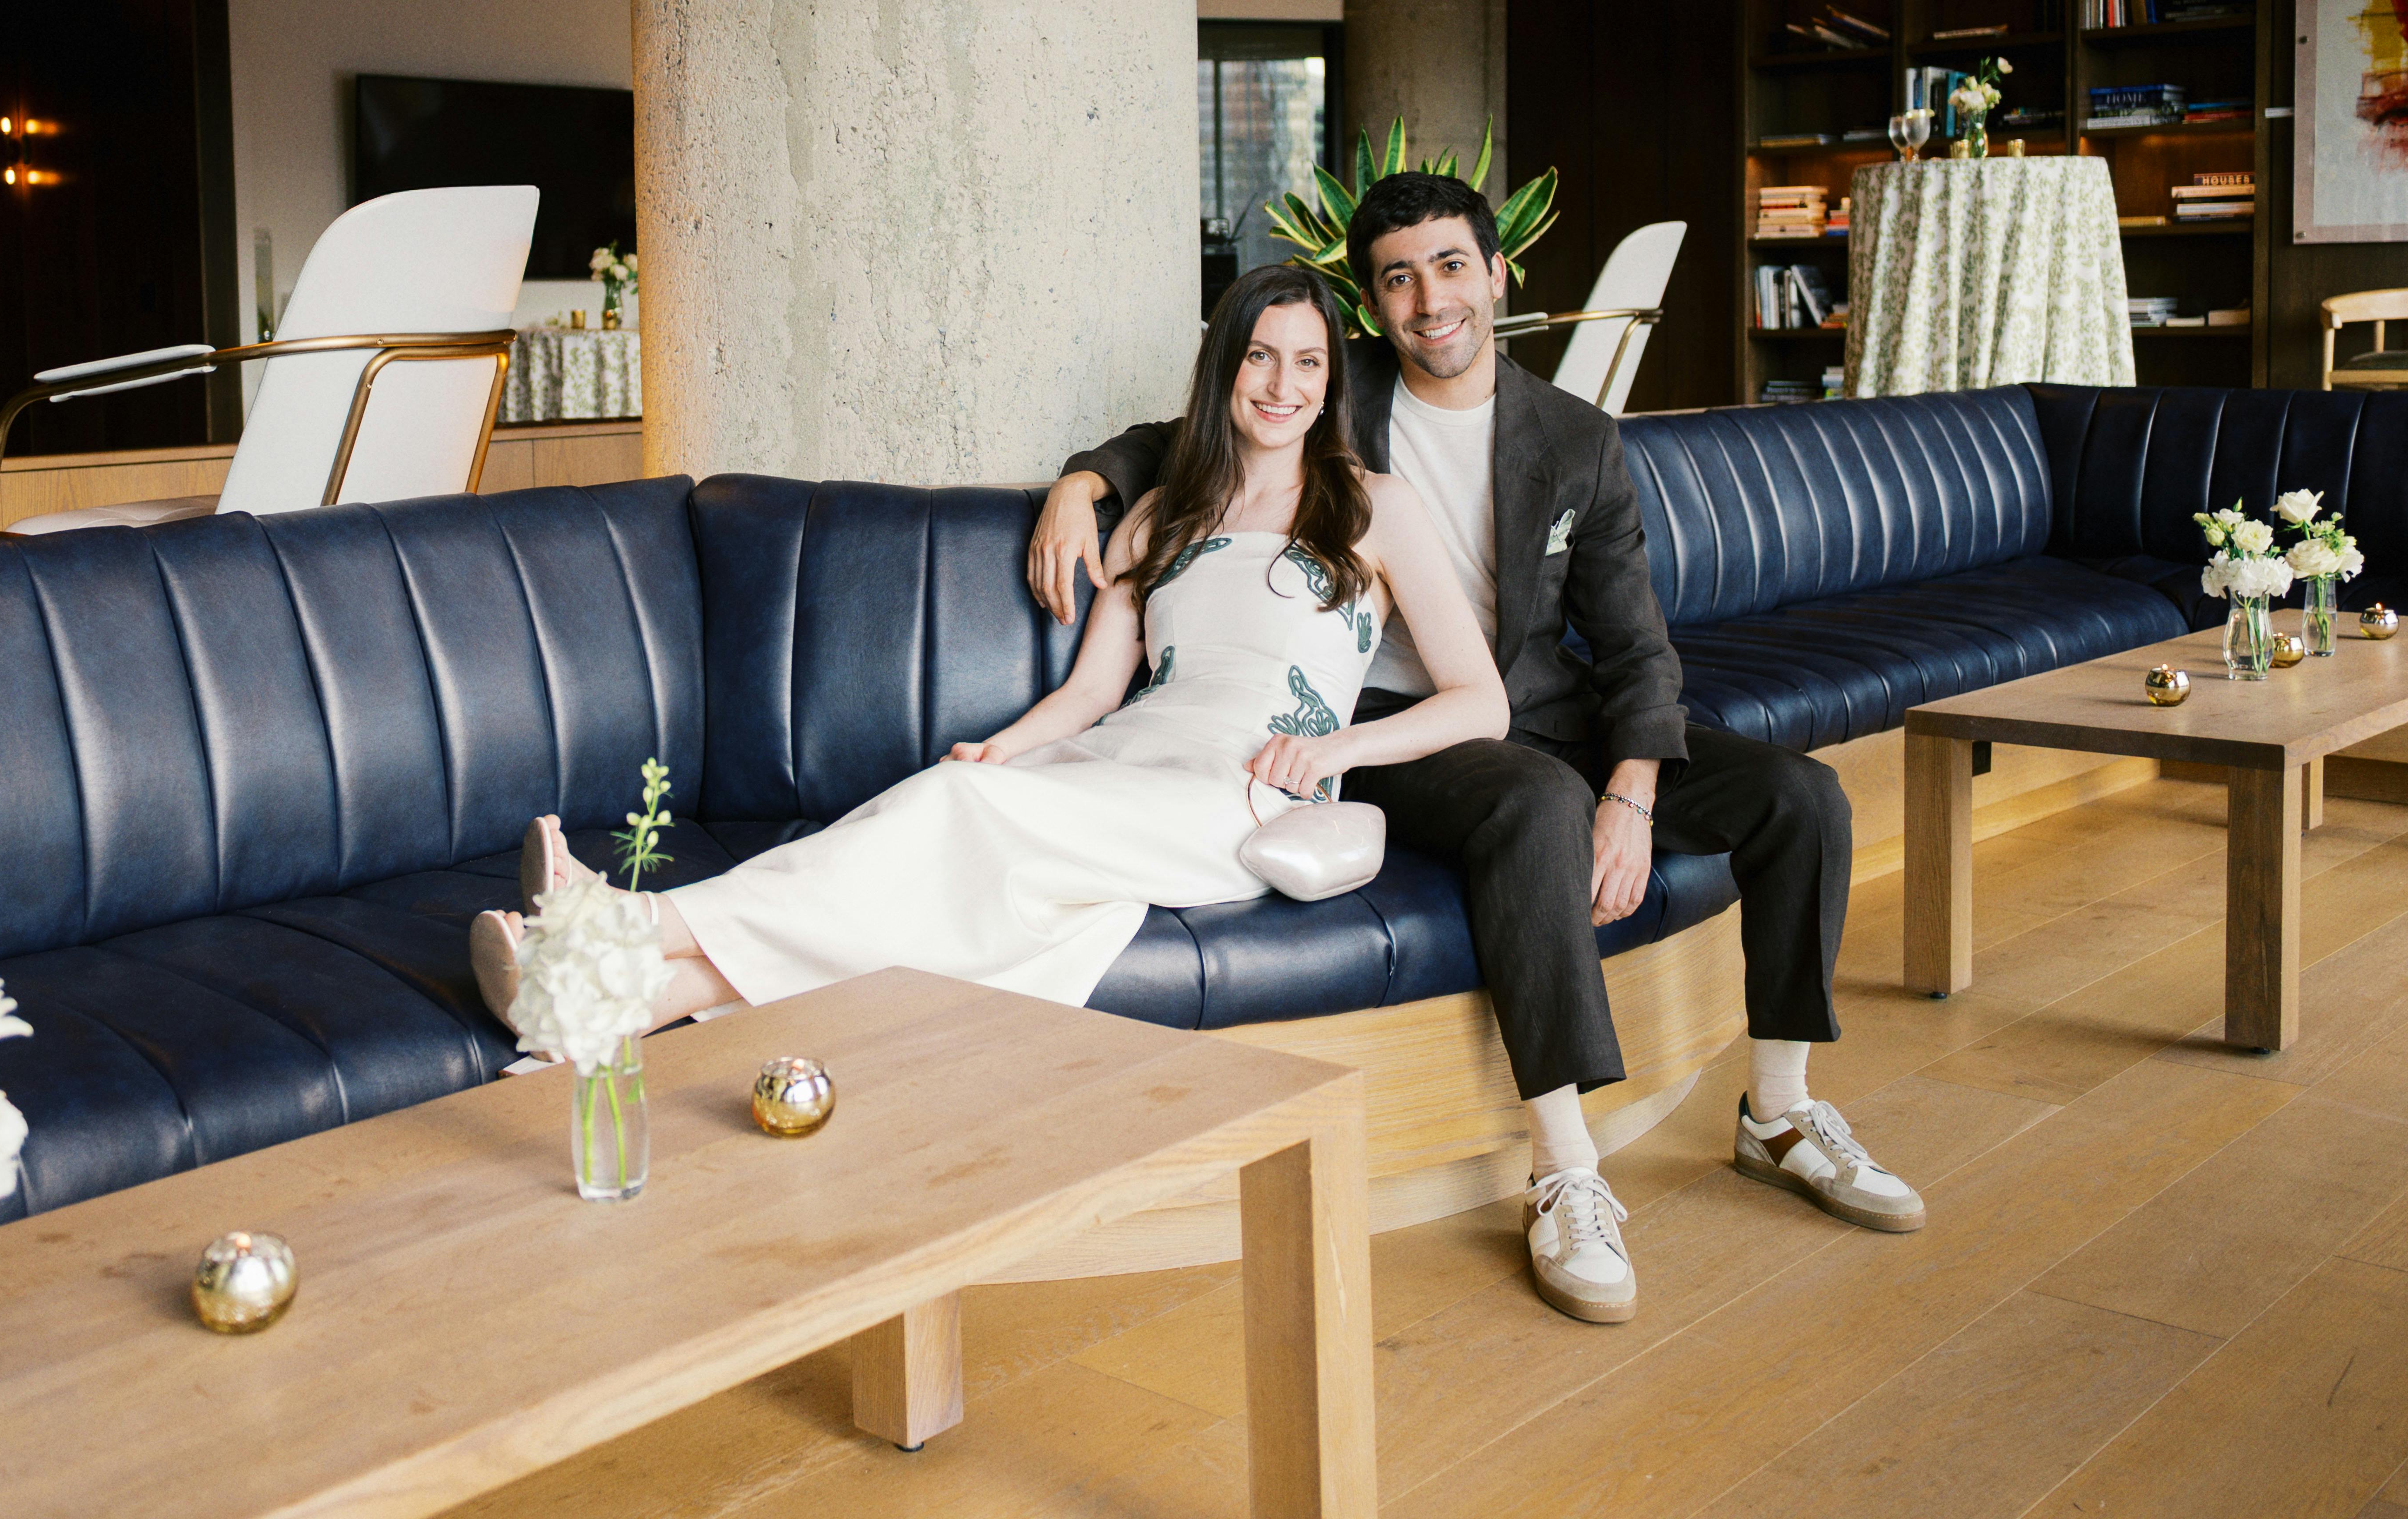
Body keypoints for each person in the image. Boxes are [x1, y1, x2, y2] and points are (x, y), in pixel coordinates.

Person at [1031, 172, 1923, 1326]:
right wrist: (1083, 482)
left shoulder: (1574, 438)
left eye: (1450, 266)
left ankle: (1782, 1112)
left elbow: (1634, 645)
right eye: (1398, 280)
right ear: (1372, 304)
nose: (1429, 300)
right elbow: (1183, 433)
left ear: (1497, 276)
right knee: (1534, 804)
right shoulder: (1335, 386)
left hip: (1547, 708)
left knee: (1801, 799)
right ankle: (1562, 1169)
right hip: (1388, 727)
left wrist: (1633, 793)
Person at [470, 263, 1508, 1050]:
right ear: (1223, 370)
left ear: (1329, 381)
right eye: (1259, 357)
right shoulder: (1158, 517)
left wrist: (1335, 751)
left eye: (1308, 362)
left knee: (957, 820)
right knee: (944, 798)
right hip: (1124, 762)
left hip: (1245, 791)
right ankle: (618, 1002)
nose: (1282, 385)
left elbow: (1479, 702)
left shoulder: (1376, 508)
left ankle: (625, 922)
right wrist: (1006, 748)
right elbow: (1094, 692)